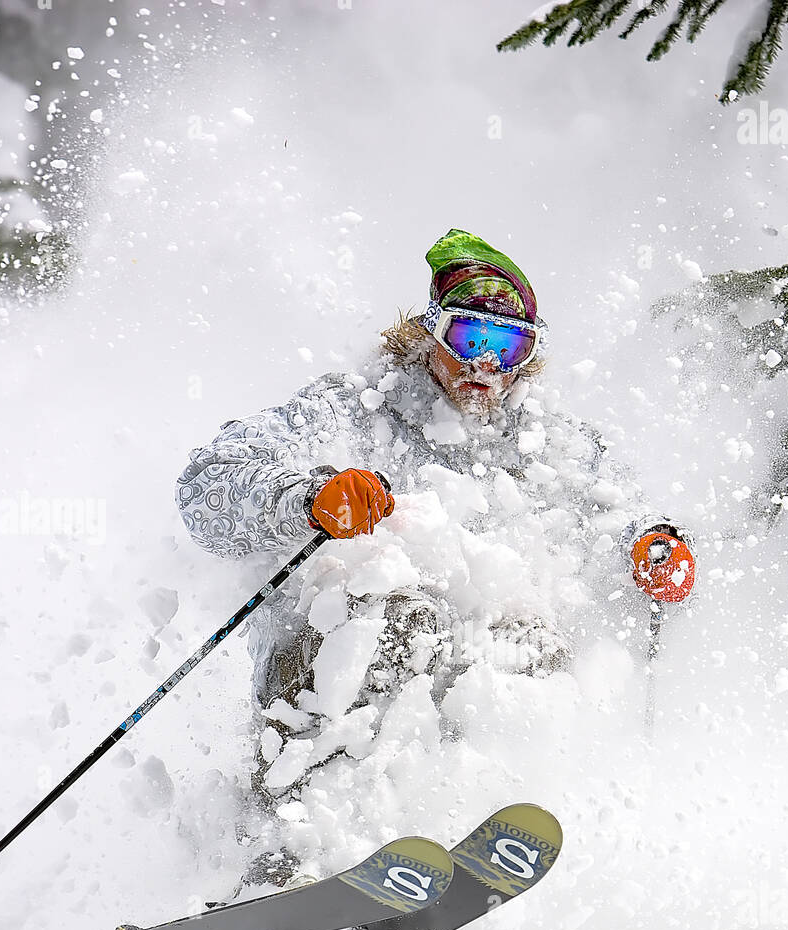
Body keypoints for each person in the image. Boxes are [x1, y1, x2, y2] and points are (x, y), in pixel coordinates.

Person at [177, 229, 694, 889]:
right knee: (402, 622)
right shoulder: (351, 411)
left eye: (508, 347)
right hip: (330, 667)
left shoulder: (547, 445)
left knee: (527, 636)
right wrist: (306, 499)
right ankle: (298, 847)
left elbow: (604, 521)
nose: (486, 365)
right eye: (469, 339)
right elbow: (208, 486)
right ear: (430, 333)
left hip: (460, 702)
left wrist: (647, 548)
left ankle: (487, 840)